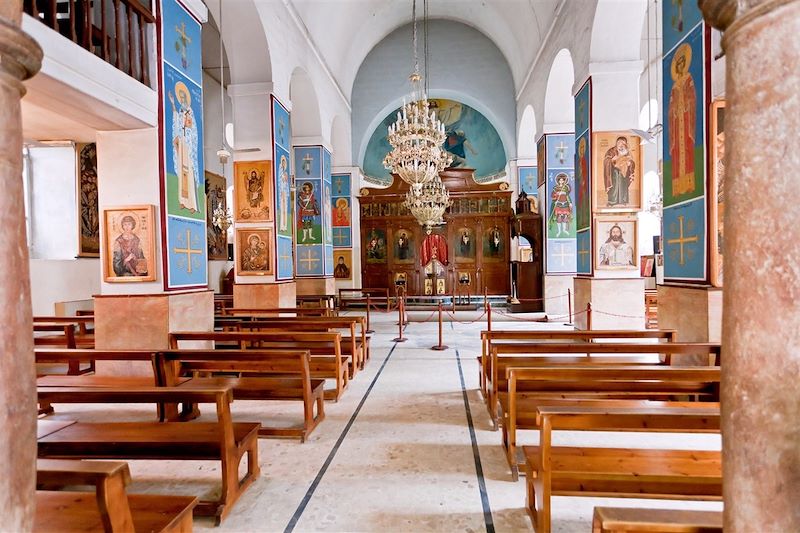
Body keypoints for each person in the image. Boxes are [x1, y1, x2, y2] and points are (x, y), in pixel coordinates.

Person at [668, 42, 697, 196]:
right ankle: (678, 187)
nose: (679, 66)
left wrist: (686, 105)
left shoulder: (688, 79)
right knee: (679, 153)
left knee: (687, 148)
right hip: (677, 120)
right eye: (677, 64)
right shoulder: (673, 87)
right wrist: (674, 112)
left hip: (685, 119)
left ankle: (689, 184)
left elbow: (692, 97)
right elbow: (671, 106)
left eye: (682, 63)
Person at [168, 81, 199, 213]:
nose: (182, 99)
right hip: (181, 145)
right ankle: (182, 201)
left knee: (189, 173)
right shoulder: (181, 111)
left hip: (188, 147)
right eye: (180, 97)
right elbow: (176, 120)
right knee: (182, 173)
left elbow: (191, 130)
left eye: (183, 97)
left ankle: (192, 204)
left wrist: (186, 130)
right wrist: (173, 103)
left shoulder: (189, 112)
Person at [603, 136, 636, 207]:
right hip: (613, 172)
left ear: (625, 144)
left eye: (622, 144)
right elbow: (606, 160)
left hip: (624, 172)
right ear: (616, 143)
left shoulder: (627, 152)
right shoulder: (611, 151)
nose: (620, 145)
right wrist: (612, 160)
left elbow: (632, 162)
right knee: (614, 186)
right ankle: (612, 201)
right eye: (619, 143)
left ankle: (623, 200)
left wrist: (630, 163)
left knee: (623, 185)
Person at [549, 173, 573, 237]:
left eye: (562, 180)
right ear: (558, 181)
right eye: (560, 180)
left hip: (565, 204)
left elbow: (567, 196)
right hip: (558, 204)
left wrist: (570, 203)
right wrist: (555, 197)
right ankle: (559, 231)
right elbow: (552, 196)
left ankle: (564, 230)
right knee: (559, 218)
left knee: (565, 217)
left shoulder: (566, 188)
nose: (561, 181)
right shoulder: (555, 188)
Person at [278, 155, 290, 232]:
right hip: (281, 192)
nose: (283, 164)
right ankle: (281, 226)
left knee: (285, 210)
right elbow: (279, 181)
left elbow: (286, 183)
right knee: (282, 210)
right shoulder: (280, 172)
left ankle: (285, 226)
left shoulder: (285, 173)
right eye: (282, 162)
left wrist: (285, 179)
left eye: (284, 163)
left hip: (285, 192)